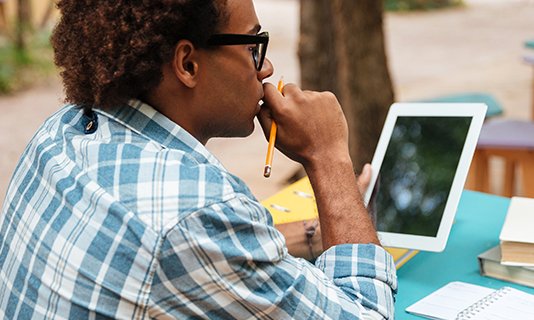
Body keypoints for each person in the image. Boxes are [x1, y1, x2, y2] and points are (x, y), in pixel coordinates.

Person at [0, 0, 396, 318]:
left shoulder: (60, 132)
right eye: (252, 46)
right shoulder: (196, 212)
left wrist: (310, 236)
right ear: (187, 64)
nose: (268, 68)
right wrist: (327, 156)